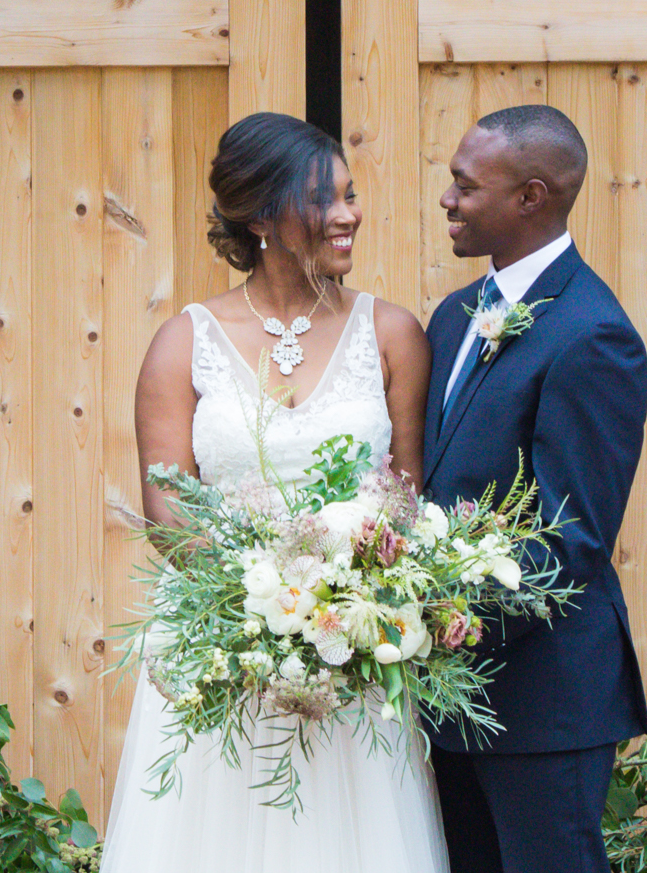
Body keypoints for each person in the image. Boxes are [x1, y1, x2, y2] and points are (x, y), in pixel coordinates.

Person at [101, 112, 448, 872]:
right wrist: (266, 617)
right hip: (221, 660)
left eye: (351, 195)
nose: (349, 213)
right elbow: (169, 514)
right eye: (325, 198)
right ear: (261, 214)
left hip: (353, 658)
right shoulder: (183, 341)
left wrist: (338, 609)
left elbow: (407, 500)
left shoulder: (392, 333)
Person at [423, 105, 647, 873]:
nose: (448, 199)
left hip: (545, 701)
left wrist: (449, 618)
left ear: (531, 196)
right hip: (452, 700)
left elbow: (570, 536)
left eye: (464, 185)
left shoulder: (594, 333)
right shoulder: (454, 319)